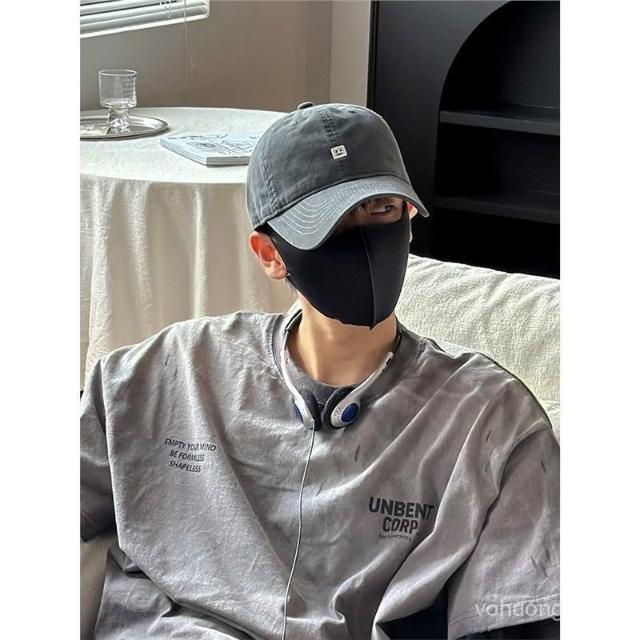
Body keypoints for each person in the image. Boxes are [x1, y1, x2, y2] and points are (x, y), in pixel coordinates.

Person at [81, 102, 560, 640]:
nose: (363, 238)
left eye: (380, 208)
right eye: (329, 221)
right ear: (270, 254)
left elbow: (519, 617)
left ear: (408, 222)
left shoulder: (490, 419)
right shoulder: (169, 374)